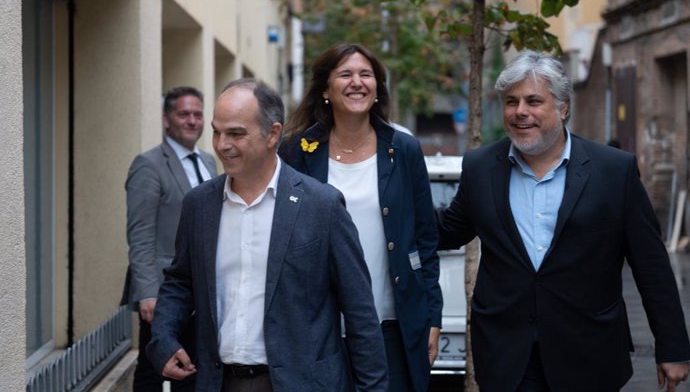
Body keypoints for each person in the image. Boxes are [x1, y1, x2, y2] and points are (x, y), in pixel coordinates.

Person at [437, 50, 690, 392]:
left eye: (533, 100)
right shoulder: (481, 167)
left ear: (563, 107)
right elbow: (449, 230)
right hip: (508, 355)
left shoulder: (613, 170)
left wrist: (673, 347)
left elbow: (652, 266)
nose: (520, 112)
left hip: (589, 352)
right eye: (511, 101)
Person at [146, 78, 388, 391]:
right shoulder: (199, 204)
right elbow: (181, 281)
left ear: (273, 134)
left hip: (302, 383)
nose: (222, 145)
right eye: (217, 131)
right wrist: (163, 339)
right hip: (218, 381)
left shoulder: (321, 206)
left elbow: (359, 310)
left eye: (236, 133)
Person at [279, 43, 442, 392]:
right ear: (325, 89)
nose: (357, 82)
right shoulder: (295, 152)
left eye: (366, 75)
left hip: (392, 326)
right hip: (319, 331)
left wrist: (433, 316)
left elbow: (426, 238)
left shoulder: (405, 149)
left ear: (377, 88)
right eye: (345, 74)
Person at [122, 86, 217, 391]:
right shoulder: (148, 164)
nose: (192, 120)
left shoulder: (208, 160)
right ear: (166, 120)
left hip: (200, 287)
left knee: (192, 366)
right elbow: (140, 233)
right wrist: (147, 292)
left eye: (198, 114)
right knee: (154, 370)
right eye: (183, 114)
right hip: (163, 291)